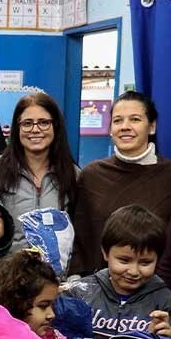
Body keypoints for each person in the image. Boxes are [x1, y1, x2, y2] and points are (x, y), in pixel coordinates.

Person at [69, 91, 171, 275]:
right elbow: (80, 239)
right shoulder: (92, 175)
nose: (125, 127)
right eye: (117, 120)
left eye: (135, 119)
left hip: (159, 293)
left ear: (152, 126)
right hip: (101, 292)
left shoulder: (168, 175)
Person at [63, 205, 171, 339]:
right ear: (105, 253)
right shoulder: (79, 293)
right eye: (124, 260)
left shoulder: (165, 301)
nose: (133, 271)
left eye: (145, 263)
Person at [0, 93, 79, 248]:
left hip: (54, 272)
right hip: (6, 270)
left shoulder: (73, 174)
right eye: (27, 123)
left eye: (44, 122)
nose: (35, 130)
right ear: (17, 128)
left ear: (56, 127)